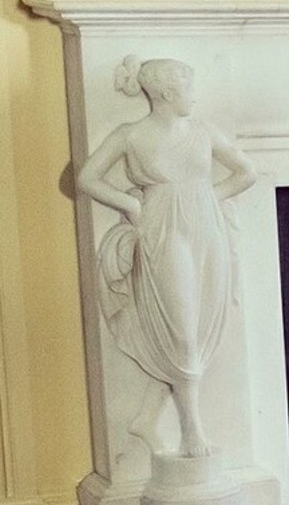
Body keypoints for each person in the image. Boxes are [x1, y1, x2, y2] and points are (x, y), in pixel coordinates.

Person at [77, 57, 257, 458]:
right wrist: (129, 204)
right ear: (166, 93)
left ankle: (146, 418)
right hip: (163, 230)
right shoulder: (130, 135)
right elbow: (87, 177)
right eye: (188, 89)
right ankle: (192, 430)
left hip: (206, 228)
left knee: (198, 325)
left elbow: (246, 172)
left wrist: (209, 197)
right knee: (181, 329)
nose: (193, 97)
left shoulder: (203, 131)